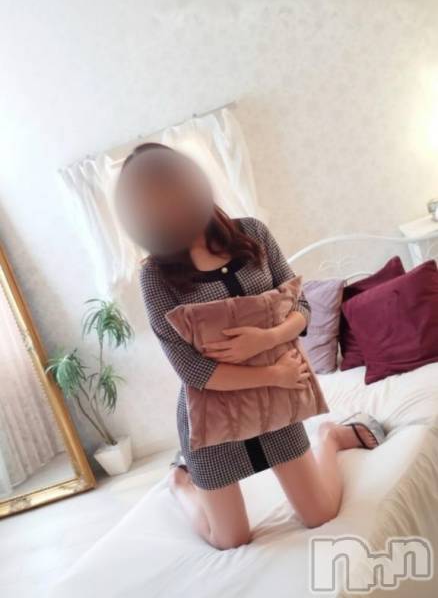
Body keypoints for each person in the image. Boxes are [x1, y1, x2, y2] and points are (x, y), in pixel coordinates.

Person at [114, 142, 386, 551]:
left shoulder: (253, 234)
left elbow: (302, 306)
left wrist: (268, 339)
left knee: (321, 513)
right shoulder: (156, 276)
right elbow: (192, 371)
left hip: (275, 405)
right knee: (230, 539)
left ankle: (330, 436)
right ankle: (179, 481)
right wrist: (274, 373)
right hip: (213, 418)